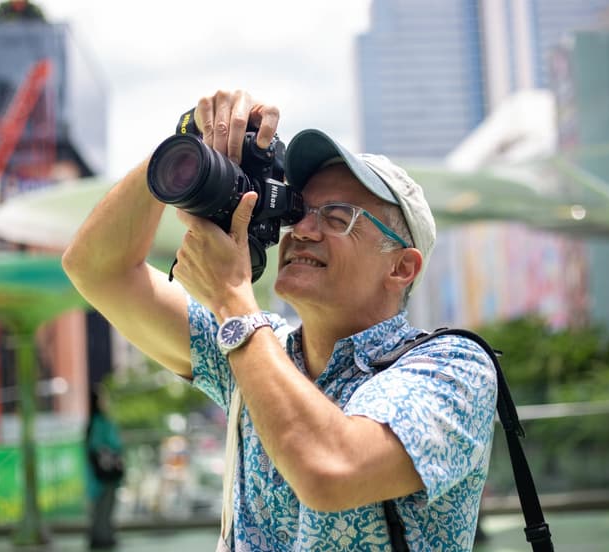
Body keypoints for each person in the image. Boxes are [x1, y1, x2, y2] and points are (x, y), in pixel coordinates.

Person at [63, 90, 497, 551]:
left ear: (401, 267)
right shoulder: (257, 348)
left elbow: (331, 471)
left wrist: (232, 301)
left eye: (338, 218)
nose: (304, 231)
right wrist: (185, 142)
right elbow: (97, 269)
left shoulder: (453, 367)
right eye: (300, 211)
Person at [85, 385, 124, 549]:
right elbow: (100, 448)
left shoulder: (98, 421)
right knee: (103, 509)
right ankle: (102, 538)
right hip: (103, 475)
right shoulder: (98, 422)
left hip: (103, 475)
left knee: (105, 509)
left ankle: (104, 536)